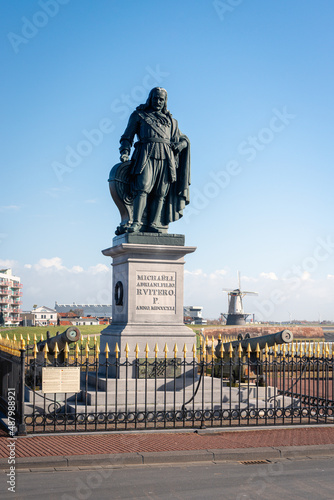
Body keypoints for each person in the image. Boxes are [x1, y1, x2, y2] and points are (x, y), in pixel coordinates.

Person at [119, 87, 190, 233]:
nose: (158, 101)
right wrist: (125, 152)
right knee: (143, 187)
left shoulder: (171, 121)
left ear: (165, 102)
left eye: (161, 99)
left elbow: (183, 138)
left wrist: (181, 144)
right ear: (150, 98)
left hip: (166, 157)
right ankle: (137, 223)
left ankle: (153, 223)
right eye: (156, 98)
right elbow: (127, 137)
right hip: (145, 155)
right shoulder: (139, 115)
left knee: (161, 192)